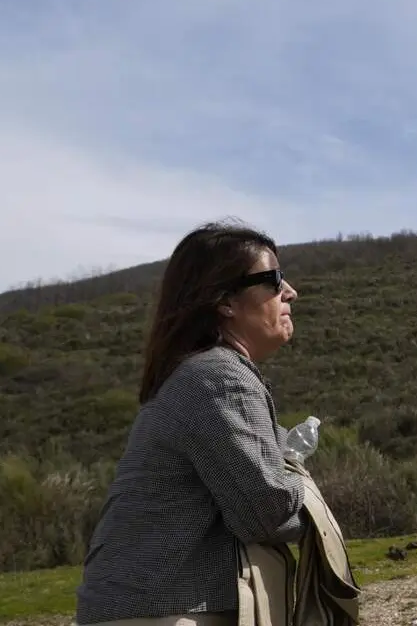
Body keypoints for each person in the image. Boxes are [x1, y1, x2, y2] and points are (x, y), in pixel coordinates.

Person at [75, 220, 308, 626]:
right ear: (225, 300)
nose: (289, 292)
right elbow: (266, 513)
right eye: (273, 279)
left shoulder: (197, 374)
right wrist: (298, 473)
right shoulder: (218, 377)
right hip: (167, 614)